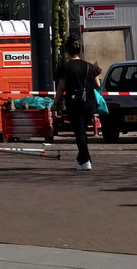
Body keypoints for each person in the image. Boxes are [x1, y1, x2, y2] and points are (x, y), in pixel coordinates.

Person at [53, 34, 101, 171]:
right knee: (83, 132)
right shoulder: (89, 66)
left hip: (75, 103)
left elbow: (61, 87)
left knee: (79, 133)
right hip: (89, 103)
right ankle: (82, 159)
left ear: (67, 51)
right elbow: (97, 84)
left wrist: (56, 102)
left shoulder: (66, 67)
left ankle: (85, 161)